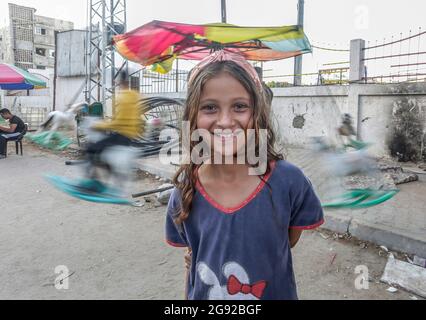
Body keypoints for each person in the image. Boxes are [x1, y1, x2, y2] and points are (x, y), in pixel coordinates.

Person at [165, 50, 324, 300]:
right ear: (192, 117)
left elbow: (287, 242)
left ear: (257, 114)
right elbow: (194, 262)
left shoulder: (289, 182)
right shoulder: (186, 190)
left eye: (239, 106)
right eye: (209, 107)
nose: (225, 121)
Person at [84, 70, 144, 182]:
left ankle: (93, 181)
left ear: (119, 82)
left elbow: (118, 123)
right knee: (102, 146)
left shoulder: (122, 97)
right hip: (131, 137)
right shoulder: (136, 96)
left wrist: (97, 125)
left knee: (90, 149)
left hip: (121, 136)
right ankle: (110, 174)